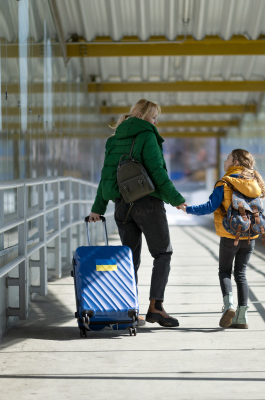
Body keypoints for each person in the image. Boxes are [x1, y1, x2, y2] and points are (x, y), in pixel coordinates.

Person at [88, 99, 186, 328]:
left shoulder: (113, 141)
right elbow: (158, 173)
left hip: (122, 206)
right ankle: (156, 308)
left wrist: (97, 208)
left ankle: (129, 309)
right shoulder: (147, 136)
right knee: (162, 253)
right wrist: (177, 200)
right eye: (154, 117)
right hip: (147, 204)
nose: (156, 121)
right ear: (142, 116)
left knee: (129, 259)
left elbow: (106, 177)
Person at [183, 149, 265, 329]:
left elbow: (209, 207)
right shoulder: (255, 182)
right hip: (250, 235)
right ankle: (242, 317)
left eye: (228, 158)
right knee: (241, 274)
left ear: (236, 162)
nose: (224, 161)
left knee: (224, 272)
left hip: (230, 235)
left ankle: (228, 306)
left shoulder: (225, 182)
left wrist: (188, 209)